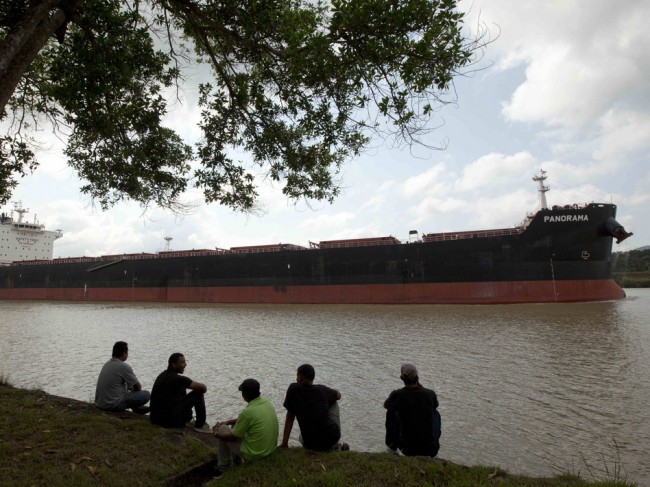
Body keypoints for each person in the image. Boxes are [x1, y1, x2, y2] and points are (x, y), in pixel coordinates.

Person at [212, 378, 279, 477]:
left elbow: (232, 437)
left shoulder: (247, 412)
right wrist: (228, 422)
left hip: (256, 454)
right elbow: (245, 419)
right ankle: (237, 462)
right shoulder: (266, 402)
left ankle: (223, 468)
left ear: (244, 395)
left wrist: (216, 433)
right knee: (235, 425)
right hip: (269, 449)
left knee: (223, 429)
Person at [280, 363, 345, 452]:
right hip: (332, 437)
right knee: (334, 402)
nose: (296, 379)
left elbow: (290, 417)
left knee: (301, 436)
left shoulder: (293, 389)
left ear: (301, 378)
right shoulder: (322, 389)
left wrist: (284, 443)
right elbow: (338, 396)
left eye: (297, 376)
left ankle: (331, 446)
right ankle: (335, 446)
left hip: (309, 444)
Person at [384, 363, 441, 457]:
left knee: (391, 410)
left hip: (407, 450)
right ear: (417, 378)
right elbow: (435, 405)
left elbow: (386, 405)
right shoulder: (430, 394)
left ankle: (391, 446)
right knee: (435, 413)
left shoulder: (397, 394)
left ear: (402, 378)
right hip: (430, 450)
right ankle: (434, 443)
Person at [149, 352, 210, 433]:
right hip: (168, 422)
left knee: (181, 387)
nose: (185, 365)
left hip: (155, 419)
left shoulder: (162, 375)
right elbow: (203, 388)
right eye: (182, 362)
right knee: (198, 393)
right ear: (173, 364)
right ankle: (200, 425)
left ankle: (188, 418)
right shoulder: (177, 379)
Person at [95, 341, 150, 414]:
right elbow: (138, 386)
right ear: (124, 353)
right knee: (146, 394)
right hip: (112, 405)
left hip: (100, 403)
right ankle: (137, 408)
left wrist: (129, 388)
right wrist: (134, 392)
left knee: (129, 390)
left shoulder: (107, 364)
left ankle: (137, 409)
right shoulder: (124, 366)